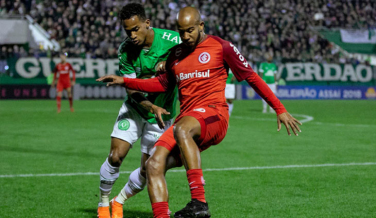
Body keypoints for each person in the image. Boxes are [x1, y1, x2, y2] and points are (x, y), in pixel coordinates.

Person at [97, 7, 302, 218]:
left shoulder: (222, 47)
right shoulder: (175, 54)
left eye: (190, 30)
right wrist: (125, 81)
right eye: (181, 31)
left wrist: (280, 109)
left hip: (213, 115)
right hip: (185, 121)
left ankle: (199, 201)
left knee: (183, 128)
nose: (185, 36)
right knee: (152, 165)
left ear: (201, 26)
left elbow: (252, 77)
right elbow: (161, 84)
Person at [96, 3, 180, 218]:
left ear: (147, 23)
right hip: (135, 109)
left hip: (162, 115)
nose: (132, 35)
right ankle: (103, 203)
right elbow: (132, 89)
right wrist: (151, 106)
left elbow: (190, 53)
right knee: (116, 156)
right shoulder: (125, 50)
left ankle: (119, 201)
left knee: (149, 169)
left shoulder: (172, 40)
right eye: (127, 31)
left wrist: (170, 61)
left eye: (136, 29)